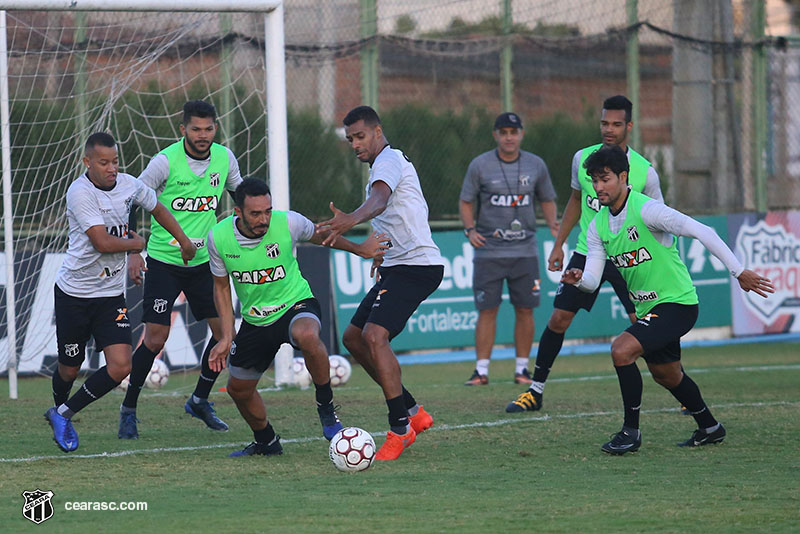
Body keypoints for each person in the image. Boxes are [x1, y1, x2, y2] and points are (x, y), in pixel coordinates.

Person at [562, 145, 773, 453]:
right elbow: (593, 278)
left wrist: (738, 271)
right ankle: (710, 427)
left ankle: (630, 433)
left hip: (678, 303)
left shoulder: (647, 210)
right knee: (667, 375)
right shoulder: (598, 226)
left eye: (604, 179)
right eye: (594, 180)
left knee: (621, 350)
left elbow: (702, 231)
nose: (598, 187)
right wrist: (581, 281)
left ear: (623, 177)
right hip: (649, 308)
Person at [206, 178, 388, 457]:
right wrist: (227, 336)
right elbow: (220, 286)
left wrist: (360, 249)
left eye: (267, 211)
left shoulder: (288, 223)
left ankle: (326, 408)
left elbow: (322, 236)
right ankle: (266, 441)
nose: (264, 219)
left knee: (307, 335)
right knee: (238, 390)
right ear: (237, 213)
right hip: (255, 319)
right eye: (255, 213)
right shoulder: (218, 238)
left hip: (295, 304)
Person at [506, 95, 664, 412]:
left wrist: (657, 261)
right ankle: (534, 391)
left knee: (645, 324)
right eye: (605, 123)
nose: (609, 129)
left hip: (628, 257)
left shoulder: (645, 173)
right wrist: (558, 244)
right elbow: (576, 202)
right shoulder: (584, 159)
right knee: (559, 318)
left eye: (617, 124)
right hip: (588, 251)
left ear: (629, 126)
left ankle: (678, 384)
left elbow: (658, 221)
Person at [45, 132, 196, 452]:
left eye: (115, 161)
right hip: (75, 293)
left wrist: (182, 239)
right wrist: (136, 246)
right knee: (69, 368)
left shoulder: (129, 184)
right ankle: (60, 409)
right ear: (87, 163)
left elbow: (158, 208)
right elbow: (102, 242)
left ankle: (63, 414)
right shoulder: (79, 192)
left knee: (120, 366)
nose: (112, 168)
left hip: (110, 295)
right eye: (103, 162)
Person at [316, 105, 444, 461]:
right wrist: (378, 246)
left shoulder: (388, 160)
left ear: (377, 131)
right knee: (354, 339)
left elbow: (380, 200)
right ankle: (414, 411)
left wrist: (350, 221)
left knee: (375, 336)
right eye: (350, 139)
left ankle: (400, 429)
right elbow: (393, 209)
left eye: (360, 136)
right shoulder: (382, 165)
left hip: (417, 266)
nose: (355, 144)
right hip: (399, 266)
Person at [119, 100, 243, 439]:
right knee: (156, 338)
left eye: (208, 129)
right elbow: (133, 197)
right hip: (165, 261)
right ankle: (129, 408)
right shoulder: (165, 162)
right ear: (182, 129)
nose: (203, 136)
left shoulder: (224, 158)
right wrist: (134, 251)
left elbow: (242, 196)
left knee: (224, 335)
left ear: (215, 128)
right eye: (196, 129)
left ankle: (200, 399)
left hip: (206, 262)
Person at [459, 112, 559, 386]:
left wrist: (553, 224)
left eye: (513, 132)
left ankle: (522, 369)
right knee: (487, 310)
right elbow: (466, 201)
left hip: (525, 250)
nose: (509, 137)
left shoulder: (535, 164)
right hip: (489, 251)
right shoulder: (480, 165)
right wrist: (470, 230)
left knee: (526, 309)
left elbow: (547, 198)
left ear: (521, 134)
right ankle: (481, 371)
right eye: (503, 132)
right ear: (495, 135)